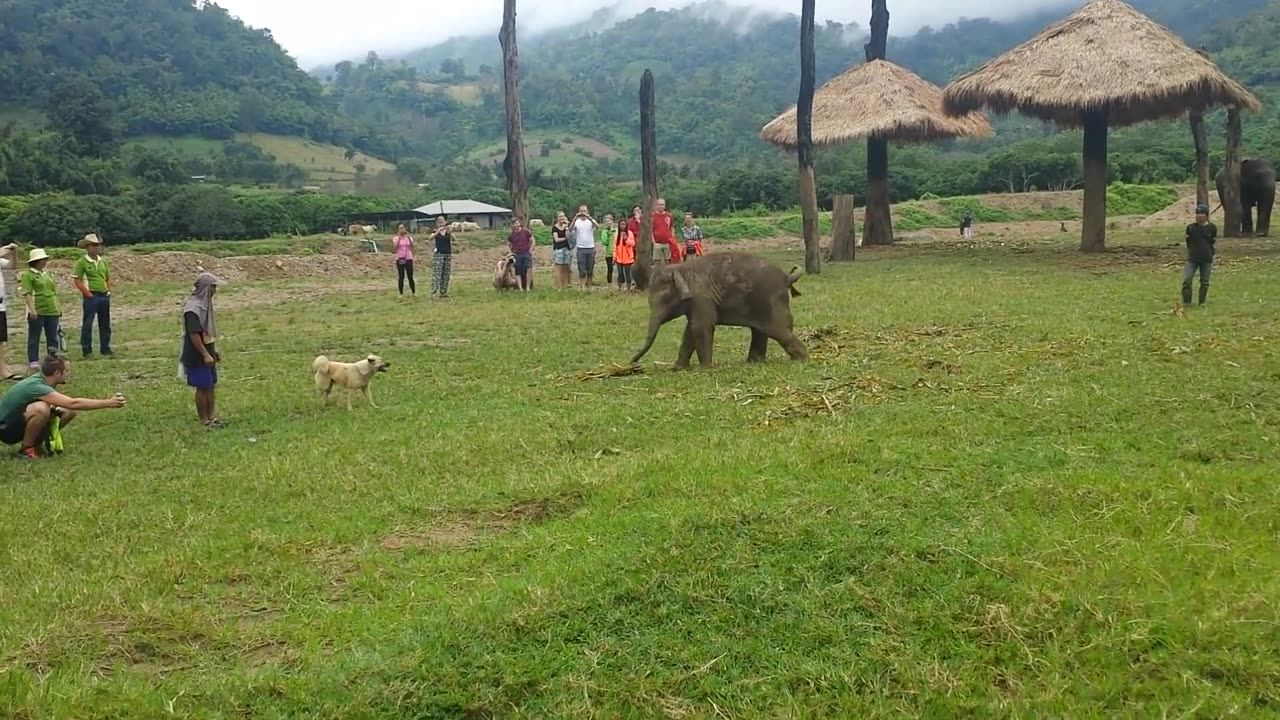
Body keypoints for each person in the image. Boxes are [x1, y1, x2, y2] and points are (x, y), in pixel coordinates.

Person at [0, 355, 126, 460]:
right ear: (57, 373)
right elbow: (73, 403)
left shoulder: (43, 380)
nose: (69, 374)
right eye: (67, 371)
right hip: (5, 430)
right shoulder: (36, 386)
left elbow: (71, 407)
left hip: (18, 422)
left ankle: (38, 444)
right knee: (41, 409)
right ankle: (26, 450)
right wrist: (108, 403)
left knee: (68, 411)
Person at [181, 273, 224, 429]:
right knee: (202, 386)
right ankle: (204, 420)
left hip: (207, 350)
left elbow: (207, 332)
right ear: (206, 289)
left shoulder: (205, 306)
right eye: (213, 287)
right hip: (196, 353)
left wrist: (213, 351)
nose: (215, 290)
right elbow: (194, 334)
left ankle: (212, 417)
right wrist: (205, 354)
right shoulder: (193, 308)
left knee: (211, 384)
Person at [73, 233, 114, 358]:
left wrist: (108, 290)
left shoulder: (103, 262)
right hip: (91, 295)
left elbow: (107, 277)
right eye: (93, 245)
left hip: (103, 295)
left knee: (105, 323)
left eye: (97, 245)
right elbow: (77, 280)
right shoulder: (81, 262)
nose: (95, 248)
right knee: (88, 323)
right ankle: (87, 350)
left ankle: (105, 348)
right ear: (87, 247)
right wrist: (88, 294)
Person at [20, 248, 61, 371]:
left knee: (52, 335)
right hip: (38, 308)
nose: (45, 261)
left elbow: (53, 291)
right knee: (34, 336)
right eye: (42, 259)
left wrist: (58, 306)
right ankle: (33, 359)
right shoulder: (28, 275)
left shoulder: (46, 273)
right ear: (36, 261)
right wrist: (32, 309)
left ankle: (52, 357)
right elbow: (27, 293)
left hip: (51, 308)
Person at [1182, 204, 1217, 307]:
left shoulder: (1212, 227)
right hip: (1193, 258)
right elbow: (1188, 241)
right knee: (1187, 280)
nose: (1199, 216)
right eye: (1197, 213)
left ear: (1206, 215)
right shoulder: (1191, 228)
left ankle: (1202, 302)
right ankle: (1186, 302)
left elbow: (1212, 241)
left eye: (1201, 213)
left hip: (1206, 258)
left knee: (1205, 282)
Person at [0, 243, 19, 380]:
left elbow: (12, 266)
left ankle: (3, 369)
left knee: (1, 340)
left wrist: (13, 254)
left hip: (1, 305)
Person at [571, 205, 599, 290]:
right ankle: (582, 287)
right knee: (582, 269)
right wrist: (575, 218)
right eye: (581, 211)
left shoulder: (590, 221)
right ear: (579, 211)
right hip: (581, 248)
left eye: (584, 211)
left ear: (587, 211)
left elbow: (597, 227)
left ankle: (589, 287)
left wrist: (590, 218)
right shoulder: (577, 221)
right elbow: (570, 229)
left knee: (590, 269)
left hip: (590, 247)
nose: (583, 212)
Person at [507, 219, 535, 291]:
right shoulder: (511, 235)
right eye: (514, 224)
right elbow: (508, 245)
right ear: (512, 225)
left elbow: (533, 241)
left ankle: (528, 287)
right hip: (517, 254)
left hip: (526, 253)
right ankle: (520, 288)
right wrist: (511, 254)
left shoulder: (526, 231)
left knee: (529, 269)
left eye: (517, 223)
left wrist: (530, 251)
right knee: (518, 271)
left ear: (519, 223)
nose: (516, 225)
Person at [431, 216, 455, 298]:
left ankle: (443, 292)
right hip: (439, 254)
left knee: (446, 273)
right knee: (437, 273)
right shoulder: (435, 231)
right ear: (437, 223)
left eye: (442, 221)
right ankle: (433, 292)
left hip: (447, 253)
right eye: (439, 222)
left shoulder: (448, 231)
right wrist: (438, 231)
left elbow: (454, 239)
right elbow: (430, 238)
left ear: (445, 222)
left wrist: (450, 232)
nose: (441, 223)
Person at [653, 198, 680, 265]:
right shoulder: (653, 216)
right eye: (659, 205)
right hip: (657, 242)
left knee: (668, 261)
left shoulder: (669, 215)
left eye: (662, 205)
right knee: (657, 261)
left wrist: (672, 238)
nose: (661, 206)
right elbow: (651, 230)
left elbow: (672, 227)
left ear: (665, 206)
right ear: (656, 206)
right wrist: (653, 242)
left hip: (668, 242)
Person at [392, 224, 416, 296]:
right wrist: (399, 238)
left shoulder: (409, 238)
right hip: (400, 258)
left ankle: (413, 292)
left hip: (408, 258)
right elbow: (395, 248)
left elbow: (412, 247)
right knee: (401, 276)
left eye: (403, 228)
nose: (402, 230)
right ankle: (401, 293)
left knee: (410, 276)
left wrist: (409, 239)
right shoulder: (395, 238)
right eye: (400, 228)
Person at [551, 211, 572, 290]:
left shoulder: (566, 227)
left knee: (565, 268)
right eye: (560, 216)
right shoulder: (555, 228)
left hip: (566, 249)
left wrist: (566, 227)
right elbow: (556, 239)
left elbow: (568, 236)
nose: (561, 218)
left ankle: (564, 285)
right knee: (558, 268)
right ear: (557, 218)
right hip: (558, 249)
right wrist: (564, 239)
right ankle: (559, 287)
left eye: (563, 216)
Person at [614, 220, 636, 291]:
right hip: (619, 258)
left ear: (626, 225)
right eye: (621, 224)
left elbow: (632, 244)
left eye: (624, 224)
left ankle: (628, 288)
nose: (622, 226)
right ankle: (620, 287)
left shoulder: (629, 233)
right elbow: (615, 246)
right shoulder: (617, 233)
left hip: (628, 258)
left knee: (628, 274)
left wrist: (626, 239)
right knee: (620, 274)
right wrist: (614, 257)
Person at [600, 214, 617, 285]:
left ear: (612, 221)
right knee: (610, 269)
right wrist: (609, 235)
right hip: (609, 253)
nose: (608, 223)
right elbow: (604, 242)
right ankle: (609, 283)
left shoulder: (616, 230)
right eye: (606, 221)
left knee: (619, 269)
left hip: (617, 251)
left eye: (609, 221)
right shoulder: (604, 232)